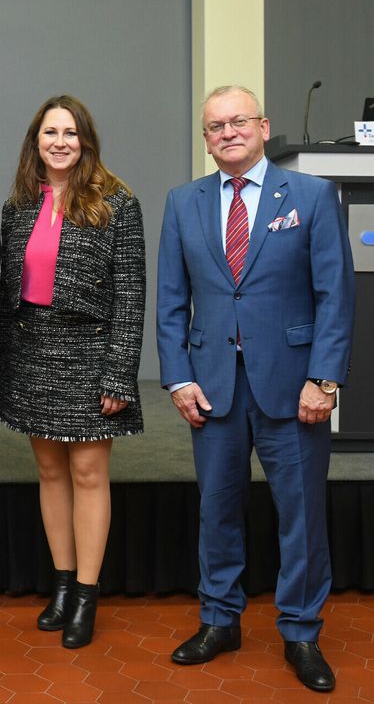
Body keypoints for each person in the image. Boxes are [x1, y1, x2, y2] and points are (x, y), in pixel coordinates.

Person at [157, 85, 354, 692]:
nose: (228, 133)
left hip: (295, 388)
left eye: (238, 121)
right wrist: (178, 377)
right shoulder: (183, 202)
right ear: (206, 139)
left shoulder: (312, 195)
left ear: (263, 127)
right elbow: (171, 302)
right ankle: (219, 620)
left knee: (301, 515)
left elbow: (335, 295)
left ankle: (301, 632)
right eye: (215, 126)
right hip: (212, 387)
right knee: (217, 510)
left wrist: (324, 378)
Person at [0, 95, 145, 648]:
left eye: (70, 133)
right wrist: (5, 364)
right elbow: (5, 291)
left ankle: (85, 594)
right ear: (36, 142)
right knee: (50, 472)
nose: (60, 142)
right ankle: (61, 586)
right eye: (50, 133)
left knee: (87, 474)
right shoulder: (18, 204)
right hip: (31, 352)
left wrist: (119, 374)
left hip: (91, 354)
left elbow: (131, 294)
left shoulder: (117, 202)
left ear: (86, 141)